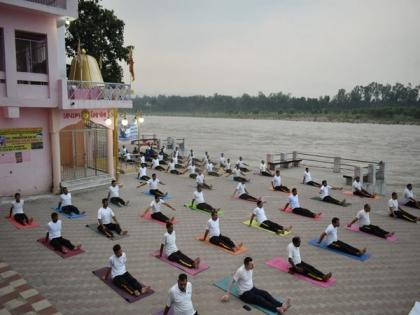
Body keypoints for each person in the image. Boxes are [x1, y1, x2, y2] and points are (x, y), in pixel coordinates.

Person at [222, 257, 291, 314]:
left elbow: (252, 267)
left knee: (265, 293)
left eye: (253, 263)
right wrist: (227, 294)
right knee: (259, 298)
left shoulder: (251, 267)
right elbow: (232, 281)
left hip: (252, 289)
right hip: (244, 294)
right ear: (246, 265)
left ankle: (281, 305)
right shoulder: (240, 271)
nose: (253, 266)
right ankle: (277, 309)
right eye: (251, 265)